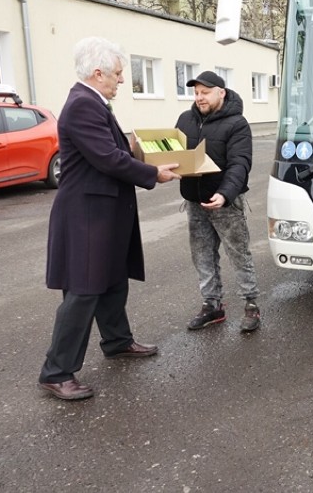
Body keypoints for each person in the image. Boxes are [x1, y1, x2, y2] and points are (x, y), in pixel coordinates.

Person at [38, 36, 181, 401]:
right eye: (117, 74)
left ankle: (117, 341)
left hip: (104, 215)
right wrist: (153, 174)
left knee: (113, 281)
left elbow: (114, 151)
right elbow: (108, 159)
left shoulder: (94, 102)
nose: (121, 80)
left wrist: (139, 149)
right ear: (98, 73)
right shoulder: (83, 105)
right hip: (87, 217)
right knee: (83, 293)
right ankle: (56, 372)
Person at [176, 71, 262, 332]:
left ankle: (251, 306)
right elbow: (176, 152)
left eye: (205, 92)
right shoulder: (185, 119)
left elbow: (240, 163)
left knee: (239, 254)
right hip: (195, 200)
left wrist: (225, 193)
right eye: (196, 93)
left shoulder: (237, 123)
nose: (199, 97)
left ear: (221, 93)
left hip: (225, 202)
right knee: (202, 255)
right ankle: (212, 305)